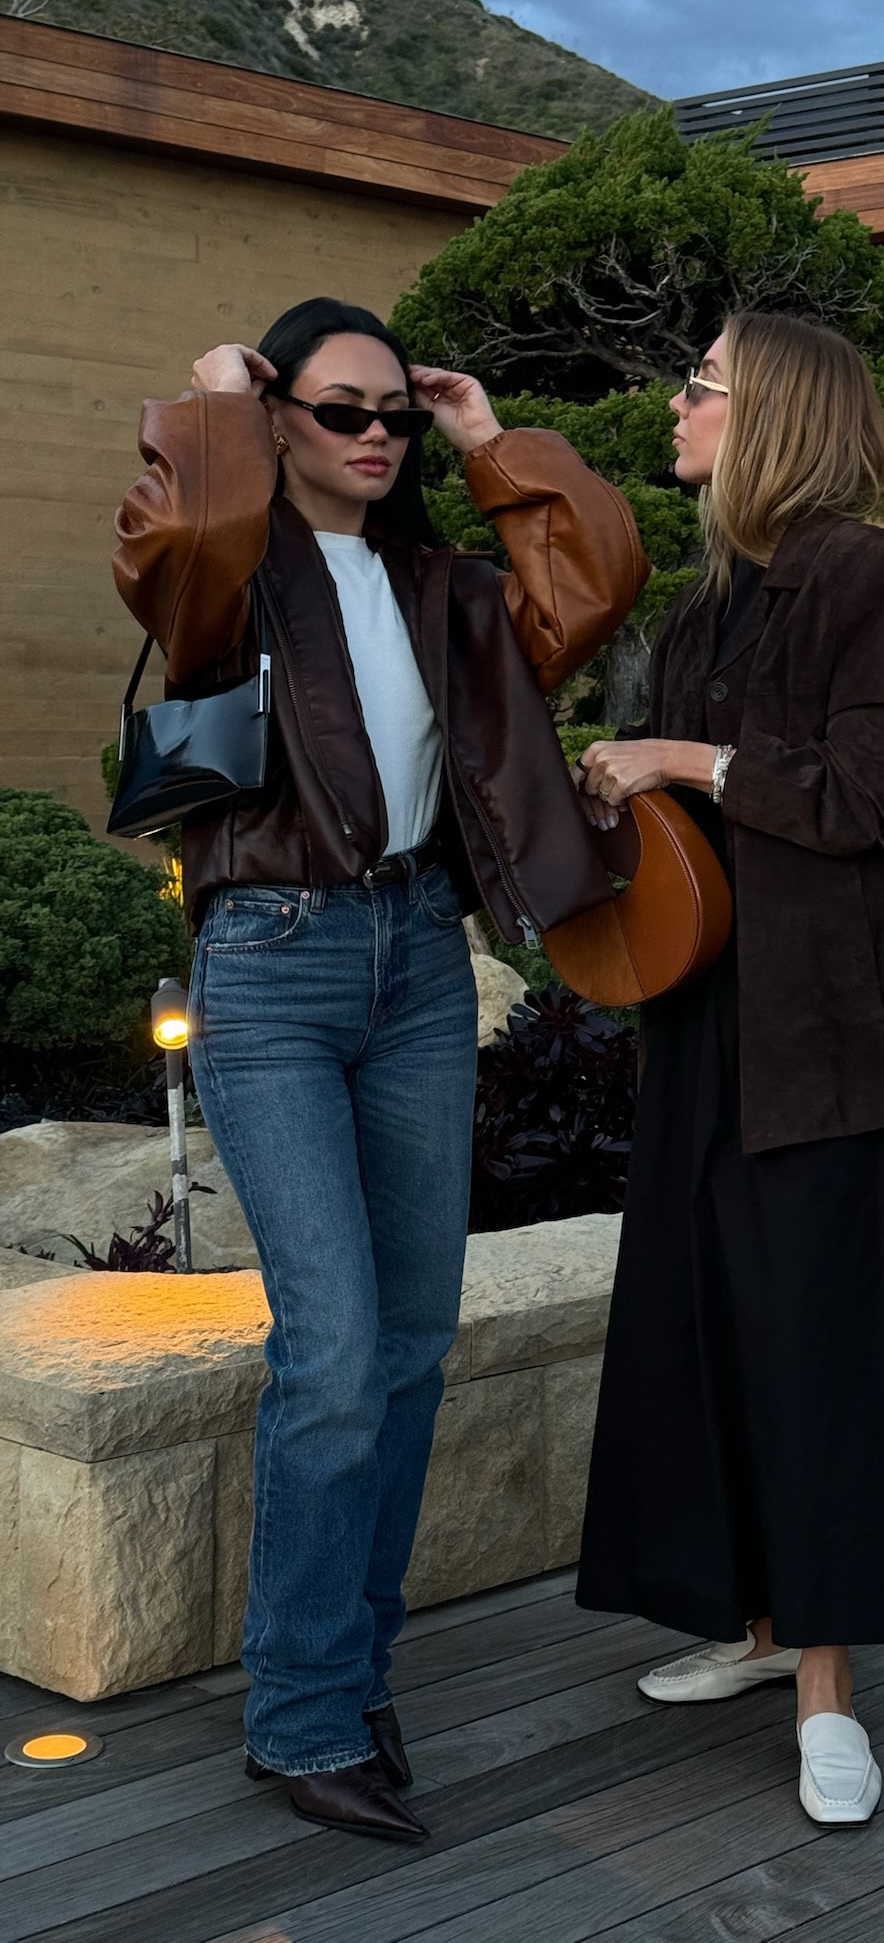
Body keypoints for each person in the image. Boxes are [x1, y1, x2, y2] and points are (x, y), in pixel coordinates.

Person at [113, 298, 646, 1842]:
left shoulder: (442, 584)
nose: (373, 435)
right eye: (340, 409)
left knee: (411, 1348)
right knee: (335, 1352)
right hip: (272, 964)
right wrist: (214, 402)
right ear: (279, 417)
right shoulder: (228, 571)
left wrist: (489, 441)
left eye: (392, 414)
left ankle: (351, 1673)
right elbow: (178, 544)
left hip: (417, 959)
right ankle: (297, 1714)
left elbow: (592, 585)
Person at [573, 310, 884, 1827]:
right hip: (707, 1022)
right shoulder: (710, 601)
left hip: (830, 1047)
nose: (677, 406)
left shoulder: (868, 575)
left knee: (817, 1352)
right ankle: (753, 1630)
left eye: (702, 385)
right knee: (707, 1330)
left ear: (776, 415)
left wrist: (682, 761)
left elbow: (877, 793)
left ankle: (827, 1691)